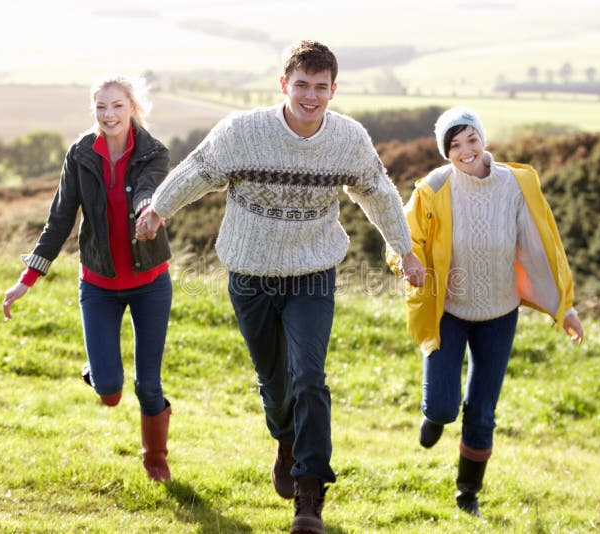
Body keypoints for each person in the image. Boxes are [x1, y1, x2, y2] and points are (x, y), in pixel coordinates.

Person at [135, 40, 424, 533]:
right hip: (250, 273)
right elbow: (198, 171)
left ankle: (310, 496)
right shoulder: (243, 132)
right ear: (283, 85)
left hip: (313, 272)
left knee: (309, 375)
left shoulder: (349, 139)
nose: (310, 96)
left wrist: (406, 248)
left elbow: (378, 193)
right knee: (275, 383)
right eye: (301, 85)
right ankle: (286, 441)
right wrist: (159, 207)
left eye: (320, 87)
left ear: (334, 89)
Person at [388, 105, 584, 518]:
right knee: (443, 405)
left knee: (482, 410)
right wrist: (409, 263)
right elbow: (403, 239)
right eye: (455, 145)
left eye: (471, 139)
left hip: (499, 313)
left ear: (483, 139)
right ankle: (436, 416)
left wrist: (563, 307)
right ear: (446, 152)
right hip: (449, 310)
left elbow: (541, 246)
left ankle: (467, 494)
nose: (466, 150)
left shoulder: (517, 183)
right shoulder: (432, 188)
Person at [2, 74, 175, 482]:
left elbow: (148, 190)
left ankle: (156, 462)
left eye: (117, 106)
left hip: (150, 283)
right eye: (100, 106)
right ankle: (100, 374)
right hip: (98, 285)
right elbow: (60, 219)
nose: (108, 114)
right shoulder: (80, 154)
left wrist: (147, 211)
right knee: (110, 391)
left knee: (148, 385)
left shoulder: (154, 152)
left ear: (133, 107)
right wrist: (26, 279)